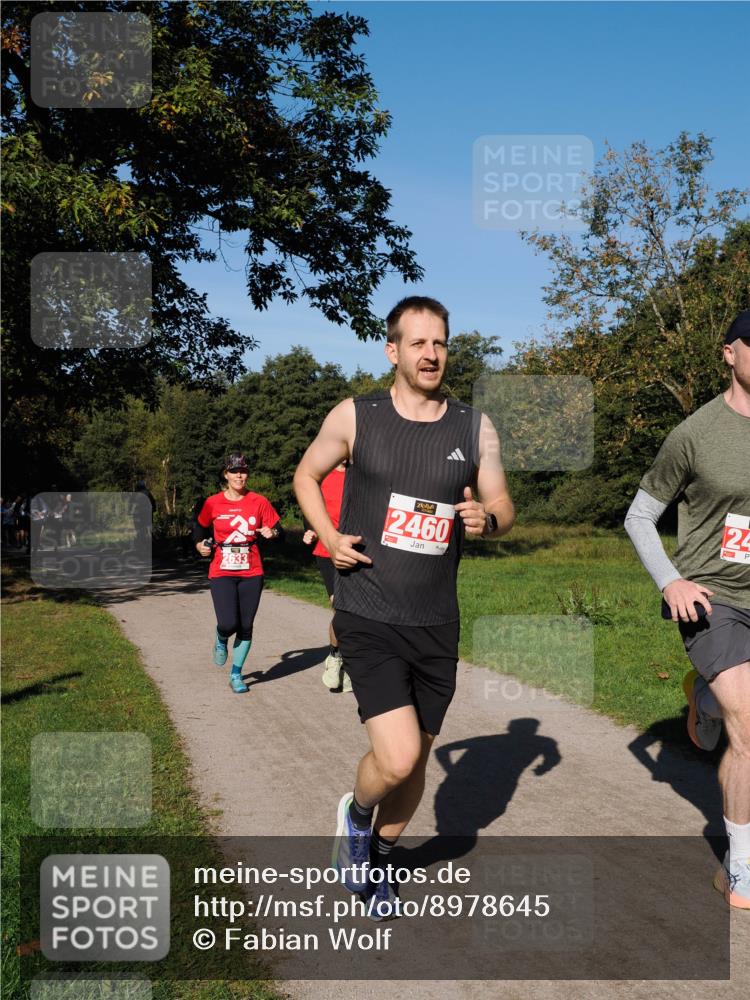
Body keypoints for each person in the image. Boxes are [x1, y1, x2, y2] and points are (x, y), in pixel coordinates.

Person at [294, 295, 514, 919]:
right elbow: (306, 475)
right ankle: (356, 818)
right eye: (417, 343)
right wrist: (330, 536)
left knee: (415, 767)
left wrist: (487, 519)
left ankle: (379, 859)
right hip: (367, 608)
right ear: (392, 351)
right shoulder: (356, 416)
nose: (430, 354)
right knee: (398, 757)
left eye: (439, 342)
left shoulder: (475, 426)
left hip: (437, 619)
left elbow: (502, 503)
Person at [624, 309, 750, 910]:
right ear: (729, 353)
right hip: (711, 598)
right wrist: (671, 580)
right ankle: (744, 869)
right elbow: (640, 516)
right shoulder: (695, 433)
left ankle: (703, 700)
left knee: (743, 725)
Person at [193, 453, 283, 694]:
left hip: (252, 570)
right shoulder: (213, 502)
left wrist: (272, 534)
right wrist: (199, 545)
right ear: (226, 474)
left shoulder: (259, 501)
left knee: (246, 625)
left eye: (243, 470)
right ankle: (221, 638)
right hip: (222, 568)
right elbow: (199, 527)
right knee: (228, 622)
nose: (239, 475)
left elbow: (278, 529)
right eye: (234, 471)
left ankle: (236, 674)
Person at [302, 461, 352, 693]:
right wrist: (309, 529)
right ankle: (335, 657)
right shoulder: (321, 476)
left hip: (355, 549)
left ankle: (351, 663)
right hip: (327, 549)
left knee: (357, 610)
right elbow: (310, 507)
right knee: (339, 606)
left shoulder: (362, 475)